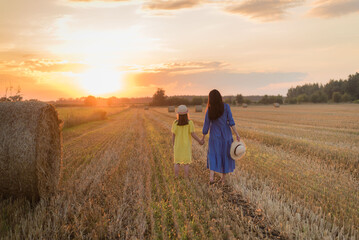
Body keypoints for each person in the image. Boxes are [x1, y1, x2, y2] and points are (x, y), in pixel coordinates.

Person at [201, 89, 240, 184]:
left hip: (214, 136)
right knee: (225, 155)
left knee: (213, 155)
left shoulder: (209, 109)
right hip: (226, 136)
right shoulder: (226, 107)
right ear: (219, 97)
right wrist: (237, 134)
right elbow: (231, 122)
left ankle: (211, 178)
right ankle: (223, 179)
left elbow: (206, 125)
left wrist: (202, 137)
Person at [172, 105, 204, 178]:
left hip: (178, 146)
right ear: (187, 114)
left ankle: (176, 176)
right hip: (186, 146)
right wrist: (200, 141)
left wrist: (173, 144)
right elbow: (193, 134)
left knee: (177, 162)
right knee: (186, 163)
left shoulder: (175, 123)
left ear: (178, 114)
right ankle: (186, 177)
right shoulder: (190, 123)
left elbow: (173, 135)